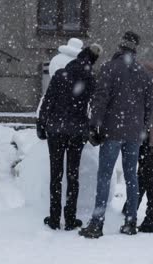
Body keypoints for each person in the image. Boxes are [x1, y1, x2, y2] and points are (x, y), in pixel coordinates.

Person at [79, 31, 153, 239]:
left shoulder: (110, 68)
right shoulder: (144, 73)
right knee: (131, 176)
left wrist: (94, 125)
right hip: (134, 133)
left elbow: (100, 99)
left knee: (104, 175)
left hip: (112, 130)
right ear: (135, 49)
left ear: (120, 48)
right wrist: (143, 128)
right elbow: (150, 106)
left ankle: (97, 223)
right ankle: (131, 221)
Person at [37, 44, 103, 231]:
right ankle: (70, 217)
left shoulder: (60, 75)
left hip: (56, 130)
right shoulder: (90, 79)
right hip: (77, 131)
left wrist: (41, 124)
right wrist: (93, 128)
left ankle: (55, 217)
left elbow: (48, 101)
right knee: (73, 176)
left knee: (55, 175)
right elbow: (93, 107)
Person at [121, 62, 153, 233]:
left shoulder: (148, 93)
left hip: (150, 142)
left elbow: (143, 119)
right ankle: (130, 208)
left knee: (149, 179)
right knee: (143, 177)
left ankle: (151, 220)